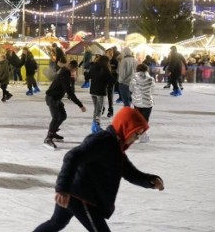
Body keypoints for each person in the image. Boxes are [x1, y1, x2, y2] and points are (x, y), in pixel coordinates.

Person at [33, 107, 165, 232]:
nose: (136, 139)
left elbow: (130, 173)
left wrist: (150, 181)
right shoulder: (103, 141)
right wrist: (62, 189)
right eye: (136, 134)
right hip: (81, 197)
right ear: (125, 127)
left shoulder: (115, 148)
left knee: (56, 223)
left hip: (77, 193)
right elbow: (72, 156)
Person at [43, 60, 86, 150]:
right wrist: (80, 105)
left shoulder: (66, 73)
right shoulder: (64, 75)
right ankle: (48, 138)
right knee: (56, 117)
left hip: (57, 98)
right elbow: (69, 91)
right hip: (51, 97)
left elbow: (68, 89)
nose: (74, 71)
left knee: (63, 116)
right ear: (71, 67)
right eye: (74, 69)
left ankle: (53, 133)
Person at [130, 63, 155, 143]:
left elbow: (131, 89)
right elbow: (152, 90)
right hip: (148, 102)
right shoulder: (151, 79)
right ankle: (143, 134)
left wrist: (137, 93)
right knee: (145, 119)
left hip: (137, 102)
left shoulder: (134, 78)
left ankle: (138, 133)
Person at [89, 55, 113, 134]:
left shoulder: (93, 66)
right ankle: (96, 127)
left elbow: (87, 76)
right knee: (98, 110)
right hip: (100, 92)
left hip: (93, 91)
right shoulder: (105, 68)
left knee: (96, 109)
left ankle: (94, 125)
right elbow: (111, 80)